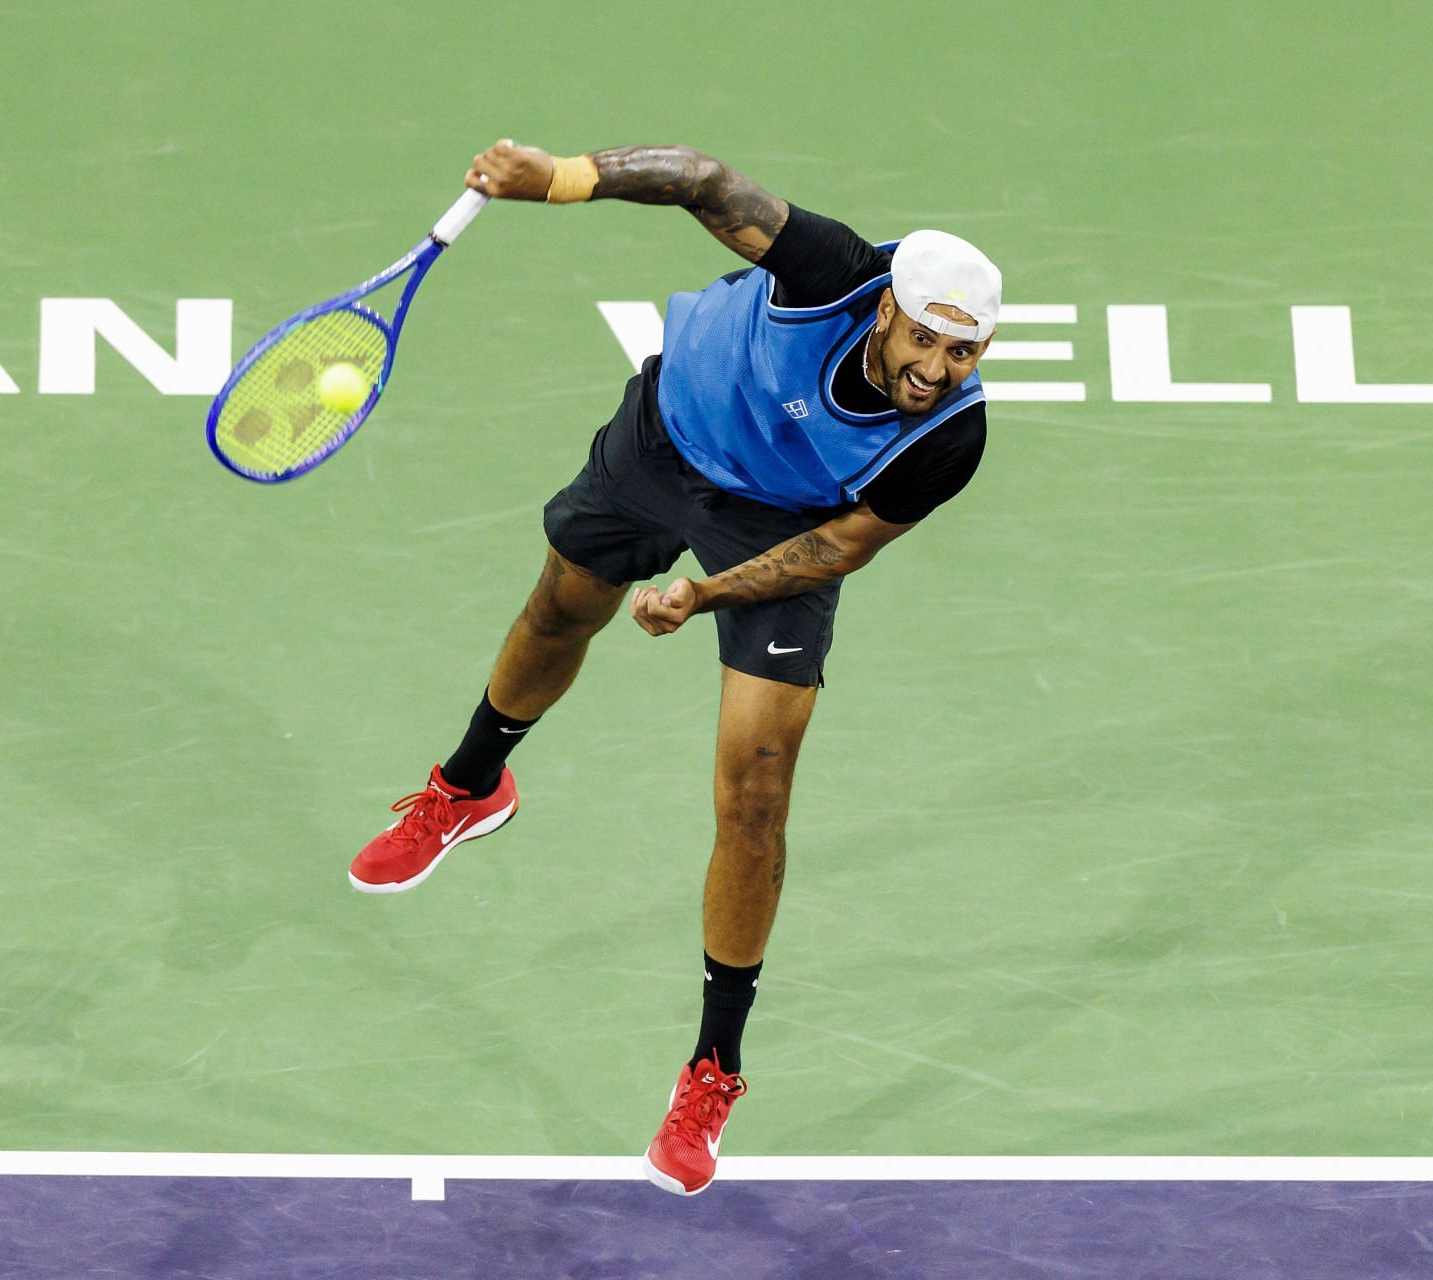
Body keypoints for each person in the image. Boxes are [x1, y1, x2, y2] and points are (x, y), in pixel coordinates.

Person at [348, 140, 1001, 1195]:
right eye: (924, 337)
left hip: (779, 524)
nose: (936, 367)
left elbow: (837, 546)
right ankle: (469, 787)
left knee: (756, 791)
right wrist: (556, 178)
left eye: (961, 352)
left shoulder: (949, 440)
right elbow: (699, 179)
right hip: (664, 438)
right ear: (888, 310)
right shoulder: (830, 271)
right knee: (560, 609)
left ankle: (712, 1068)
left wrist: (703, 595)